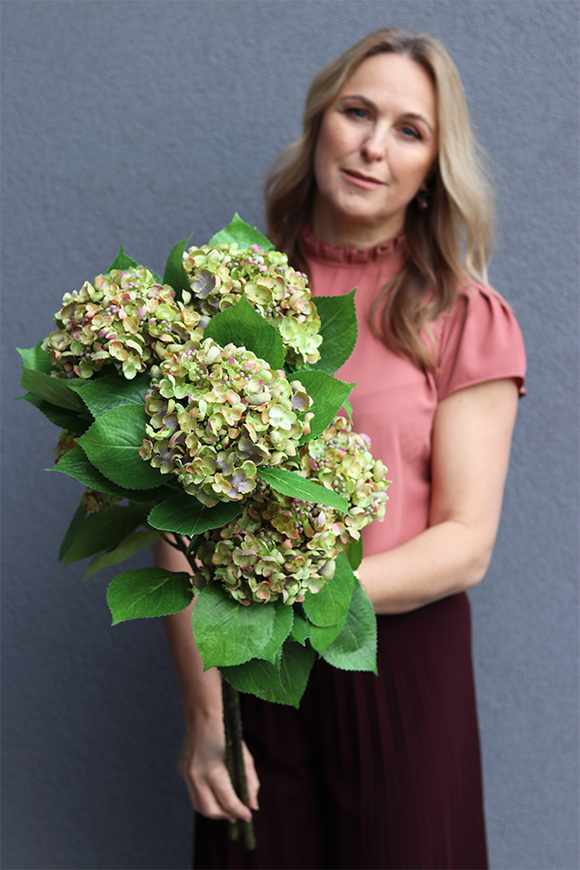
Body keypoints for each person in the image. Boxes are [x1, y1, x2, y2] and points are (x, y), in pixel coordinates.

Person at [156, 26, 526, 870]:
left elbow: (466, 544)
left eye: (409, 129)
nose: (371, 145)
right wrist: (206, 718)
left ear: (434, 167)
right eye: (357, 111)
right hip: (247, 672)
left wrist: (300, 592)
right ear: (320, 121)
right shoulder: (226, 302)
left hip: (401, 675)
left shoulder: (464, 317)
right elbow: (176, 524)